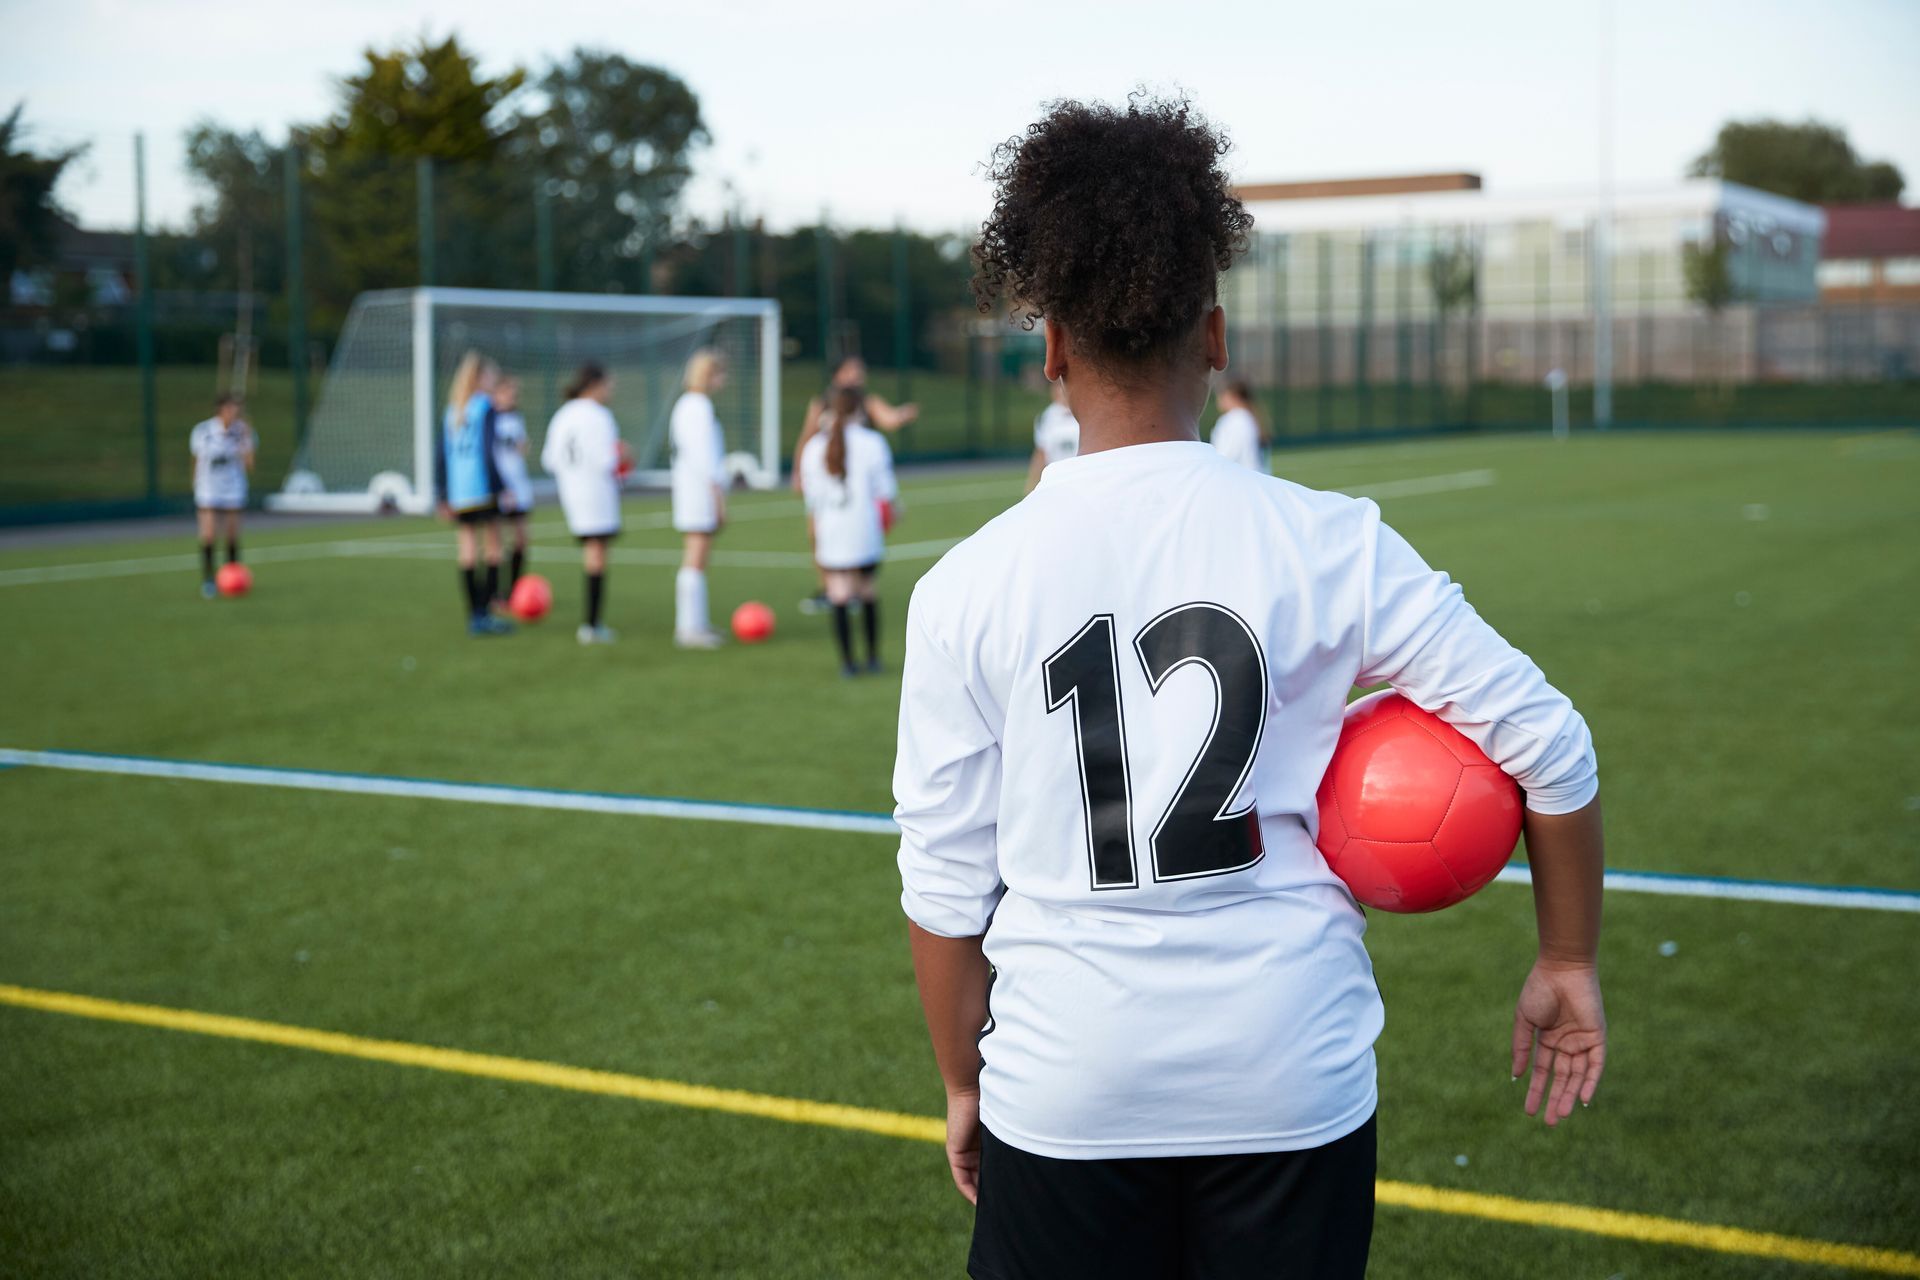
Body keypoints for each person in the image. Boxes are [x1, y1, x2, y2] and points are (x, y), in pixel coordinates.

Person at [893, 96, 1608, 1280]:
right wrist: (1568, 958)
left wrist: (965, 1081)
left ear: (1055, 348)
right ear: (1215, 337)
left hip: (1069, 1085)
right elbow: (1552, 743)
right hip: (1291, 1072)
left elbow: (944, 885)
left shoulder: (966, 586)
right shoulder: (1329, 540)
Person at [793, 356, 920, 613]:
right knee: (819, 534)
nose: (857, 376)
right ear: (837, 374)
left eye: (860, 371)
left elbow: (889, 419)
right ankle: (830, 588)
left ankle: (854, 589)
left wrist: (902, 414)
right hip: (828, 480)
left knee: (857, 534)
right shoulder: (821, 404)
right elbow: (806, 436)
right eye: (851, 371)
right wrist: (798, 470)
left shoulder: (867, 402)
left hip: (859, 485)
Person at [800, 384, 898, 675]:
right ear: (859, 409)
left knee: (839, 592)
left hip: (832, 529)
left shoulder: (814, 447)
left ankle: (848, 664)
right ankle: (873, 658)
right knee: (867, 589)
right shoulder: (872, 442)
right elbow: (886, 491)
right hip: (863, 528)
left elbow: (812, 498)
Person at [541, 362, 626, 645]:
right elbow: (608, 461)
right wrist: (624, 457)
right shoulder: (599, 416)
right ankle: (592, 625)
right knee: (597, 555)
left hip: (571, 493)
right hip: (597, 493)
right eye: (609, 385)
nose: (611, 390)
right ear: (595, 384)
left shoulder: (563, 414)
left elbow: (549, 460)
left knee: (593, 552)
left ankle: (592, 624)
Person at [434, 352, 512, 637]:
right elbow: (488, 452)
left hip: (459, 490)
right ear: (479, 378)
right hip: (482, 486)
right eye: (491, 375)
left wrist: (442, 494)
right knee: (494, 549)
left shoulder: (453, 409)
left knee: (467, 551)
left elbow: (441, 456)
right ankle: (486, 613)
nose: (494, 380)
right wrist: (502, 488)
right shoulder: (484, 407)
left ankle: (474, 616)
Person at [668, 349, 728, 649]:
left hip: (691, 489)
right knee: (695, 556)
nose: (724, 379)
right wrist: (717, 495)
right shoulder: (697, 406)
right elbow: (705, 457)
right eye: (720, 373)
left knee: (697, 556)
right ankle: (689, 627)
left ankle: (696, 623)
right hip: (698, 491)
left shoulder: (687, 405)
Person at [189, 392, 255, 598]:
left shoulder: (243, 432)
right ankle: (209, 579)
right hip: (209, 489)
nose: (233, 412)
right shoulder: (203, 431)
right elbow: (196, 460)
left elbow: (250, 465)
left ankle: (232, 577)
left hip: (233, 488)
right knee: (208, 535)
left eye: (236, 408)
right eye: (229, 408)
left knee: (232, 535)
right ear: (220, 409)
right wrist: (195, 484)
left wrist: (245, 439)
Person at [491, 374, 534, 605]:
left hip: (518, 488)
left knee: (521, 540)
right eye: (508, 392)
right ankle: (495, 593)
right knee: (495, 543)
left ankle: (515, 591)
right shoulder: (490, 419)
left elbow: (520, 449)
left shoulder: (516, 418)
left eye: (515, 393)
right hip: (499, 489)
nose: (513, 397)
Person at [1023, 376, 1079, 494]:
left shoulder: (1083, 413)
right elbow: (1041, 452)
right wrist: (1032, 482)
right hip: (1056, 479)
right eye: (1057, 386)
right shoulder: (1046, 418)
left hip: (1079, 476)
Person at [1210, 378, 1269, 474]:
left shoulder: (1235, 419)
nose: (1219, 400)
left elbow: (1227, 456)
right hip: (1254, 479)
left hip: (1240, 480)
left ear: (1233, 396)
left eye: (1222, 395)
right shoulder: (1249, 417)